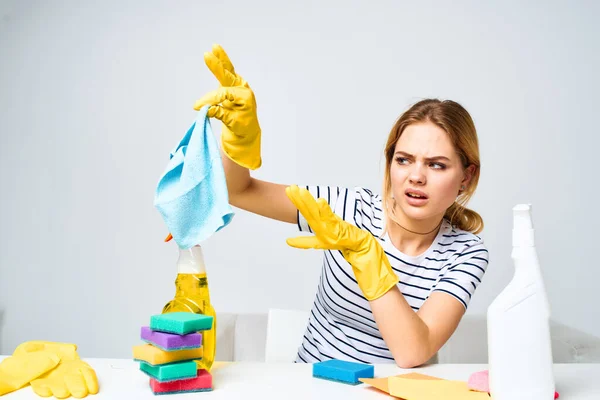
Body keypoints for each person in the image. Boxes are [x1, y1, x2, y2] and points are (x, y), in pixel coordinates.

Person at [193, 44, 489, 368]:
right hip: (312, 388)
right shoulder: (348, 209)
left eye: (436, 165)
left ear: (466, 176)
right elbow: (240, 191)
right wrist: (238, 140)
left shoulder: (466, 253)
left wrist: (368, 258)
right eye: (404, 160)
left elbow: (412, 352)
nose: (415, 177)